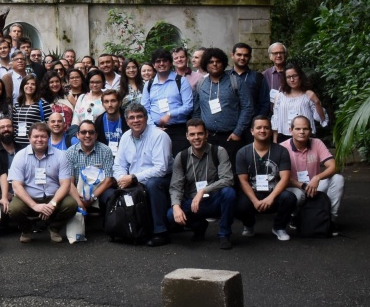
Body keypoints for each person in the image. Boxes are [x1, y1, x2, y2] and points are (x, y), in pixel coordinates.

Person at [166, 119, 236, 250]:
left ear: (206, 134)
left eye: (200, 133)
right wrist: (176, 206)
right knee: (171, 214)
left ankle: (224, 234)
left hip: (215, 199)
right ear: (187, 136)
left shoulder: (219, 151)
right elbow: (176, 186)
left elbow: (228, 179)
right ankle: (199, 226)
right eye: (192, 134)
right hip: (194, 203)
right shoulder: (182, 156)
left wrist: (203, 190)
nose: (196, 137)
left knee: (229, 193)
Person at [110, 103, 173, 246]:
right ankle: (132, 229)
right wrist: (121, 179)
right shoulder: (125, 137)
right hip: (135, 179)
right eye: (131, 117)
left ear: (146, 118)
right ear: (127, 121)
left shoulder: (159, 136)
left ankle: (161, 232)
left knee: (153, 184)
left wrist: (133, 178)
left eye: (139, 116)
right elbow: (119, 165)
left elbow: (161, 169)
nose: (136, 120)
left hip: (162, 179)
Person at [7, 122, 78, 243]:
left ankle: (54, 228)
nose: (39, 140)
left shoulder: (60, 156)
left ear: (48, 138)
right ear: (29, 138)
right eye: (36, 136)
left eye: (43, 136)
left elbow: (66, 184)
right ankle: (26, 229)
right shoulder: (20, 156)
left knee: (71, 204)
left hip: (53, 196)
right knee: (14, 209)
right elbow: (16, 186)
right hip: (29, 198)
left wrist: (52, 204)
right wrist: (34, 205)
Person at [235, 116, 296, 241]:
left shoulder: (281, 151)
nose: (262, 130)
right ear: (252, 131)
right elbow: (243, 181)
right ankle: (249, 225)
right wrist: (255, 201)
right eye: (259, 128)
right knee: (239, 204)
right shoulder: (242, 152)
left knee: (289, 198)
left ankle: (279, 227)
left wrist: (270, 198)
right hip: (253, 192)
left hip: (274, 192)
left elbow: (285, 178)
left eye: (266, 128)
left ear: (271, 131)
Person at [192, 47, 253, 168]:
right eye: (211, 62)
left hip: (231, 137)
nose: (214, 64)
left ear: (223, 63)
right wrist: (200, 132)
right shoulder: (201, 84)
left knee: (232, 171)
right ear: (205, 64)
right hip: (208, 138)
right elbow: (196, 110)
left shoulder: (236, 82)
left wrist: (237, 132)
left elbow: (247, 107)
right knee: (210, 170)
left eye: (218, 61)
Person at [284, 115, 343, 228]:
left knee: (338, 179)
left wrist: (317, 177)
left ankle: (330, 218)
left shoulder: (317, 143)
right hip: (294, 187)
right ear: (291, 130)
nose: (302, 132)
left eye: (305, 129)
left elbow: (334, 166)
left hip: (314, 185)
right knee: (297, 195)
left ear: (310, 130)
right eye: (298, 129)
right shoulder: (283, 147)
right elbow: (280, 176)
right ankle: (294, 216)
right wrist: (302, 185)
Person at [144, 49, 193, 154]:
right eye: (158, 61)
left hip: (178, 130)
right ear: (154, 65)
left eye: (165, 60)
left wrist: (170, 114)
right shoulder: (149, 84)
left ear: (170, 63)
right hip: (155, 131)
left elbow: (188, 106)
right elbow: (144, 110)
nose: (161, 64)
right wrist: (153, 127)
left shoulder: (181, 81)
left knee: (179, 160)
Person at [66, 121, 115, 223]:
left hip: (99, 192)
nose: (87, 135)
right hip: (77, 192)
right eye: (83, 132)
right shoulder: (70, 152)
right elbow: (69, 183)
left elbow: (109, 180)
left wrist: (92, 197)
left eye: (91, 132)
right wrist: (80, 203)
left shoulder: (106, 151)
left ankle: (109, 226)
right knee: (68, 200)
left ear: (96, 135)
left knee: (111, 195)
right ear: (78, 135)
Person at [270, 64, 328, 142]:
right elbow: (275, 121)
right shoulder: (279, 96)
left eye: (294, 76)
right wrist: (275, 141)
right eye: (288, 77)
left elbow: (321, 119)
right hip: (284, 137)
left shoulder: (308, 95)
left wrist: (317, 102)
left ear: (300, 76)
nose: (292, 80)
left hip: (305, 137)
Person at [10, 74, 47, 151]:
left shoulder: (42, 104)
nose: (30, 86)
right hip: (17, 144)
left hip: (35, 144)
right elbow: (14, 124)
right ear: (22, 86)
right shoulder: (17, 104)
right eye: (27, 83)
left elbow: (48, 124)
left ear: (36, 87)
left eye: (33, 84)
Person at [93, 89, 127, 155]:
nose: (110, 105)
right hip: (105, 156)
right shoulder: (99, 121)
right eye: (106, 102)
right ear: (102, 104)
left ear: (119, 103)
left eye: (113, 101)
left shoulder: (127, 118)